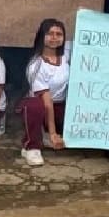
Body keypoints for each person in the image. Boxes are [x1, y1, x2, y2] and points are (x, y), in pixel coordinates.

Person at [19, 19, 69, 167]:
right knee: (35, 106)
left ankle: (46, 135)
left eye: (59, 34)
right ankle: (31, 147)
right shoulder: (36, 64)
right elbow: (47, 102)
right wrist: (53, 133)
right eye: (50, 34)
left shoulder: (67, 56)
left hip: (61, 106)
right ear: (42, 36)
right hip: (43, 107)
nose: (54, 37)